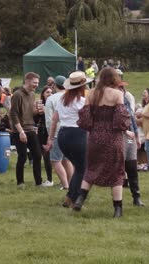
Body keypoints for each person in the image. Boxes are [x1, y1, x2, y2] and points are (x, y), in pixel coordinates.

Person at [71, 67, 131, 218]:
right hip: (113, 138)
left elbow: (85, 119)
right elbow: (120, 120)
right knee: (117, 173)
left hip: (95, 138)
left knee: (91, 169)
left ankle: (80, 199)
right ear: (114, 78)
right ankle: (118, 210)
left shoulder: (91, 93)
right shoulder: (118, 94)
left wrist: (94, 127)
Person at [47, 71, 90, 207]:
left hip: (62, 135)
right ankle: (72, 198)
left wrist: (50, 139)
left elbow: (54, 120)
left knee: (78, 167)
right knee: (81, 168)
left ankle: (70, 197)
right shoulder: (82, 102)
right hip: (77, 134)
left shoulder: (62, 100)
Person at [10, 72, 44, 188]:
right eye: (35, 82)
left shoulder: (33, 94)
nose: (36, 85)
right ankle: (20, 182)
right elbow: (13, 114)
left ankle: (38, 182)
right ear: (28, 81)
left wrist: (39, 112)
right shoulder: (17, 95)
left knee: (38, 155)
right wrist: (21, 132)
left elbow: (29, 113)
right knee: (23, 156)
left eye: (37, 83)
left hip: (30, 128)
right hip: (19, 131)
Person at [117, 81, 144, 206]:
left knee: (132, 165)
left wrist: (137, 136)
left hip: (130, 137)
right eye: (120, 88)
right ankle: (118, 200)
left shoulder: (126, 101)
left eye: (123, 88)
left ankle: (136, 197)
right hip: (118, 136)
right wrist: (125, 131)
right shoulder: (111, 104)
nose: (123, 90)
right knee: (118, 167)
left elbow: (131, 118)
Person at [44, 75, 72, 191]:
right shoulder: (71, 97)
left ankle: (65, 185)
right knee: (67, 160)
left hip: (57, 133)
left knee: (55, 160)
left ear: (55, 85)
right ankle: (71, 184)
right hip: (71, 132)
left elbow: (50, 120)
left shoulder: (51, 99)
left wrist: (49, 136)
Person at [34, 86, 57, 187]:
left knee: (49, 157)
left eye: (51, 92)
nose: (50, 94)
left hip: (51, 131)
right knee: (41, 155)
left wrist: (46, 111)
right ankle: (40, 180)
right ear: (43, 94)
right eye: (47, 92)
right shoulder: (39, 104)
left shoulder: (54, 104)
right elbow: (35, 119)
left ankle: (50, 180)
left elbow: (55, 119)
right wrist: (37, 111)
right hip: (41, 131)